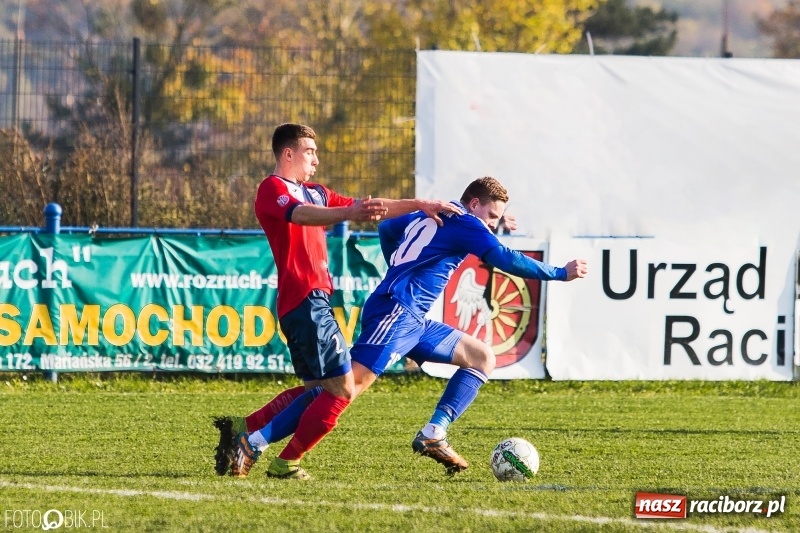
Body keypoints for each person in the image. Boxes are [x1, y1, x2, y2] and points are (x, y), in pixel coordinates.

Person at [216, 176, 588, 476]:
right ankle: (256, 442)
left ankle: (433, 432)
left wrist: (400, 260)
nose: (491, 224)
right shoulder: (467, 223)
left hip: (413, 318)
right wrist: (559, 273)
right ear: (473, 204)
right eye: (491, 216)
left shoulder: (437, 216)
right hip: (396, 312)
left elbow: (389, 226)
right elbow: (503, 257)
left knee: (481, 357)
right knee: (342, 391)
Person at [214, 123, 460, 480]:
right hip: (305, 300)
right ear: (288, 154)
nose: (316, 158)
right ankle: (257, 446)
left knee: (318, 392)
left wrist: (420, 205)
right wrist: (346, 214)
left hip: (309, 303)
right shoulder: (272, 189)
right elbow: (298, 215)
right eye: (309, 151)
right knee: (343, 390)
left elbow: (371, 207)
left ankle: (246, 428)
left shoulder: (315, 192)